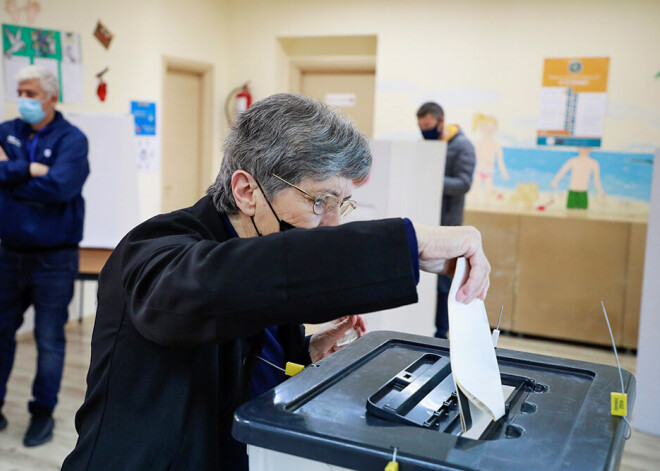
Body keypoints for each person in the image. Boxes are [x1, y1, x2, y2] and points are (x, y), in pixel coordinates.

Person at [62, 93, 489, 471]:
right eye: (320, 201)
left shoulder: (267, 251)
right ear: (247, 191)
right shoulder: (155, 247)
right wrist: (411, 242)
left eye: (342, 204)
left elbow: (247, 344)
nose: (333, 224)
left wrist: (305, 351)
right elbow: (213, 292)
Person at [0, 65, 89, 447]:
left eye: (32, 93)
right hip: (8, 255)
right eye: (20, 91)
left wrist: (10, 177)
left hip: (55, 259)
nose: (25, 99)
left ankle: (42, 414)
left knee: (49, 338)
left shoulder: (73, 139)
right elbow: (42, 181)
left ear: (51, 98)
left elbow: (60, 187)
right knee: (1, 335)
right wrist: (30, 169)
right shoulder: (6, 132)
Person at [417, 102, 476, 338]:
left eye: (428, 126)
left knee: (443, 282)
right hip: (425, 219)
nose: (425, 130)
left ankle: (441, 333)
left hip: (448, 222)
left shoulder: (463, 146)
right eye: (421, 126)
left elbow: (463, 183)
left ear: (441, 121)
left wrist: (432, 179)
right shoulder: (427, 145)